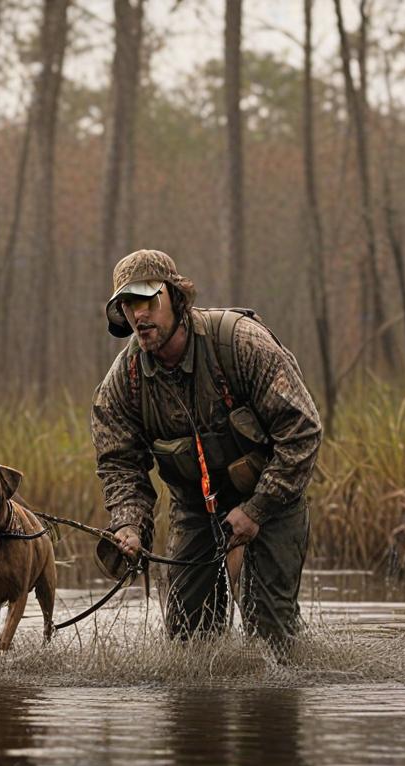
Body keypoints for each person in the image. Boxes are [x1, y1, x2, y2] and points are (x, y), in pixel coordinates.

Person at [90, 249, 322, 645]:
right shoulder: (122, 383)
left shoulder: (240, 343)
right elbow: (119, 465)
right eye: (127, 304)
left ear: (176, 298)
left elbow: (302, 431)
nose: (138, 315)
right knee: (186, 639)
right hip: (196, 507)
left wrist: (256, 509)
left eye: (148, 299)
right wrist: (129, 525)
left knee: (270, 633)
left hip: (273, 498)